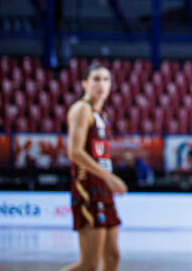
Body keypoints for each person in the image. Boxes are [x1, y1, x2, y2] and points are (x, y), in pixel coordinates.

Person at [60, 62, 128, 271]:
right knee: (89, 264)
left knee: (113, 255)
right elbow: (75, 152)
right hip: (87, 185)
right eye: (96, 79)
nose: (101, 84)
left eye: (106, 79)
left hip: (102, 187)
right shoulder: (81, 109)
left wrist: (107, 179)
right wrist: (109, 177)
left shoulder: (102, 116)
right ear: (84, 84)